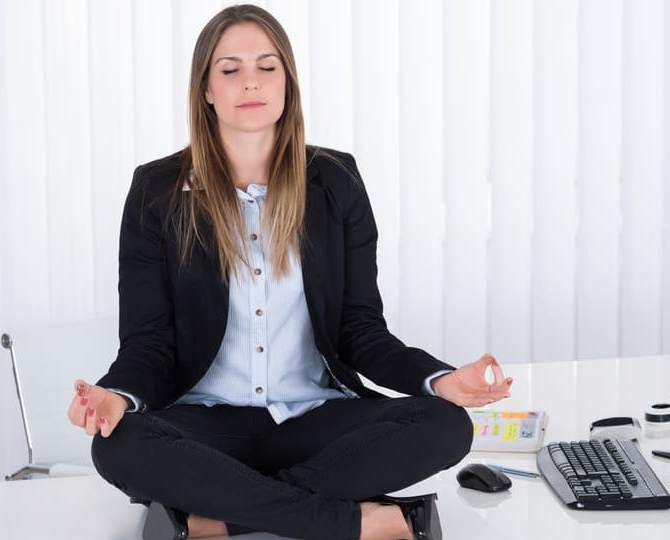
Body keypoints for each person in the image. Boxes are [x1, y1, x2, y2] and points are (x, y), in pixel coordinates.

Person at [67, 5, 512, 540]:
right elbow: (149, 343)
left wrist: (439, 379)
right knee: (117, 444)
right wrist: (117, 396)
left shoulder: (336, 180)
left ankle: (221, 517)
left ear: (288, 84)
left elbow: (359, 330)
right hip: (206, 423)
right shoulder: (157, 191)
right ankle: (359, 521)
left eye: (267, 66)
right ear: (206, 89)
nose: (250, 81)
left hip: (314, 418)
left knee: (444, 424)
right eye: (230, 69)